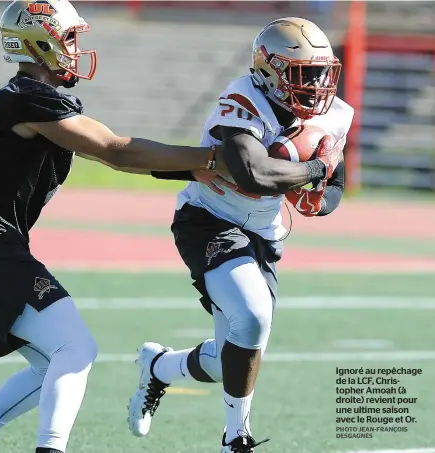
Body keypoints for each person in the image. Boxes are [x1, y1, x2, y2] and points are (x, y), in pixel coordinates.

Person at [0, 1, 340, 450]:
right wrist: (207, 158)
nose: (75, 48)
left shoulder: (28, 100)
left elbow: (111, 156)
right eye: (70, 38)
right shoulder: (29, 98)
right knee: (75, 350)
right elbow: (116, 150)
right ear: (38, 42)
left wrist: (194, 167)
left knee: (51, 361)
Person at [127, 17, 353, 453]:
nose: (318, 84)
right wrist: (312, 170)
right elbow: (253, 174)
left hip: (265, 233)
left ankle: (157, 366)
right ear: (270, 71)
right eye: (305, 73)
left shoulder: (334, 114)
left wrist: (318, 200)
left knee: (230, 355)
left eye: (323, 72)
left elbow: (336, 184)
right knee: (252, 316)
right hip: (210, 218)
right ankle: (237, 437)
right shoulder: (243, 100)